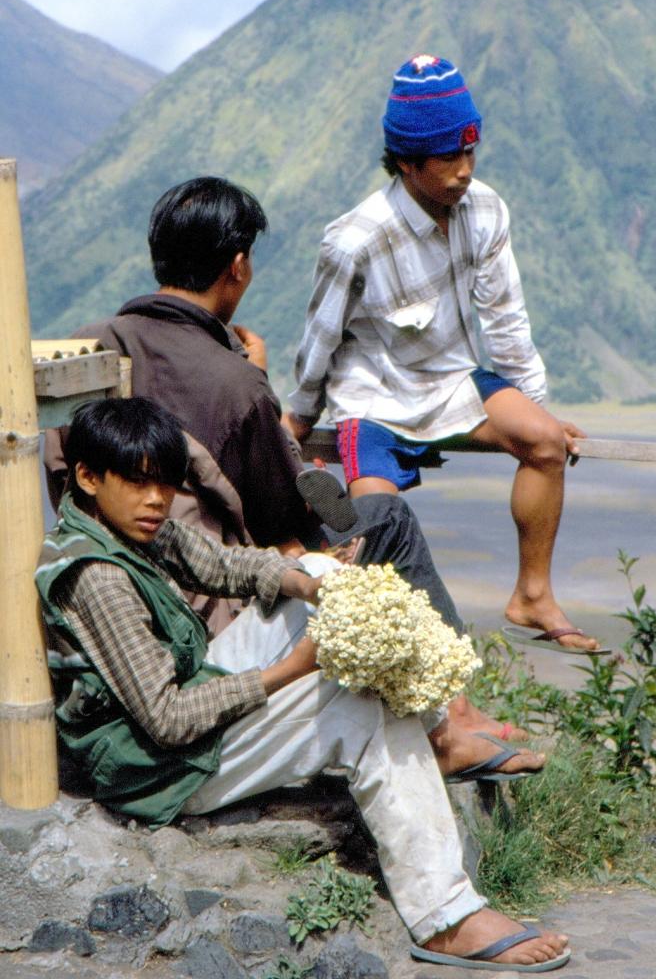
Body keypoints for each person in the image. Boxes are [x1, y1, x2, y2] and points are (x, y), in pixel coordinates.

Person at [35, 397, 570, 972]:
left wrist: (306, 582)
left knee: (323, 575)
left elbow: (225, 566)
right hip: (157, 771)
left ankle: (437, 727)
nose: (156, 500)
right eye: (139, 482)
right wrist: (293, 670)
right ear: (88, 477)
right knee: (360, 706)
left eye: (165, 485)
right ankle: (445, 917)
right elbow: (168, 718)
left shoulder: (129, 525)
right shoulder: (98, 577)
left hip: (180, 718)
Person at [43, 174, 533, 748]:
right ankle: (454, 717)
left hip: (117, 572)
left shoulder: (89, 346)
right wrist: (259, 387)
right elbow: (291, 501)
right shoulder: (234, 380)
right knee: (386, 521)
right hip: (204, 595)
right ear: (238, 266)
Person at [284, 54, 600, 653]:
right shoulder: (356, 239)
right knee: (376, 522)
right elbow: (320, 335)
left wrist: (535, 407)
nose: (463, 172)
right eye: (448, 158)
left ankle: (532, 595)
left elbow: (506, 318)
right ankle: (402, 645)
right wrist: (296, 419)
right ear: (406, 162)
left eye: (470, 154)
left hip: (453, 379)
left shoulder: (485, 209)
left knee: (545, 443)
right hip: (374, 392)